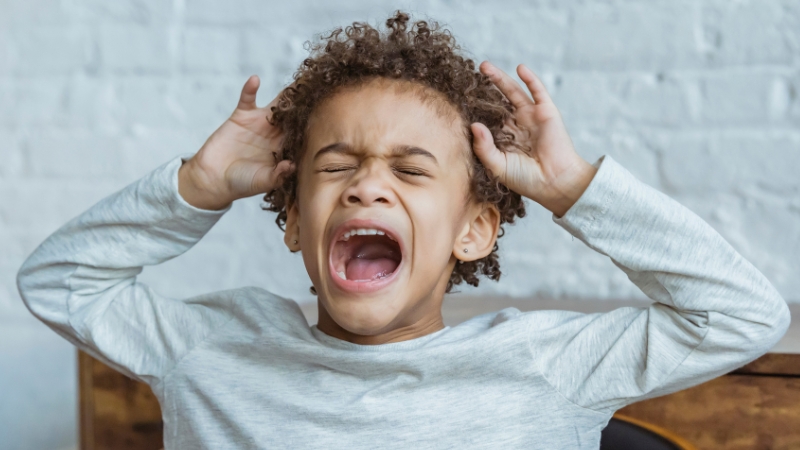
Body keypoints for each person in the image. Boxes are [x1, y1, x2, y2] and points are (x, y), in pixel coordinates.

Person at [17, 11, 790, 449]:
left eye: (410, 171)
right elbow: (56, 282)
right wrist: (195, 187)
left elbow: (744, 317)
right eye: (336, 166)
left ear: (475, 231)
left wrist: (577, 191)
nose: (367, 185)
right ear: (292, 222)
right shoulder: (211, 352)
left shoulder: (545, 367)